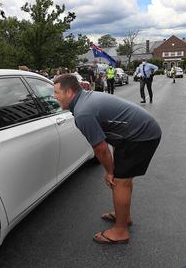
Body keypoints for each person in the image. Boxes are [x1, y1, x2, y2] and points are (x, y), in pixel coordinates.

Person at [53, 74, 161, 244]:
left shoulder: (83, 112)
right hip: (132, 134)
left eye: (56, 93)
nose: (54, 97)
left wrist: (109, 172)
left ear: (68, 92)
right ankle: (123, 217)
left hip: (140, 136)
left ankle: (120, 231)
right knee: (121, 180)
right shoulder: (85, 99)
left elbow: (101, 149)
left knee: (119, 181)